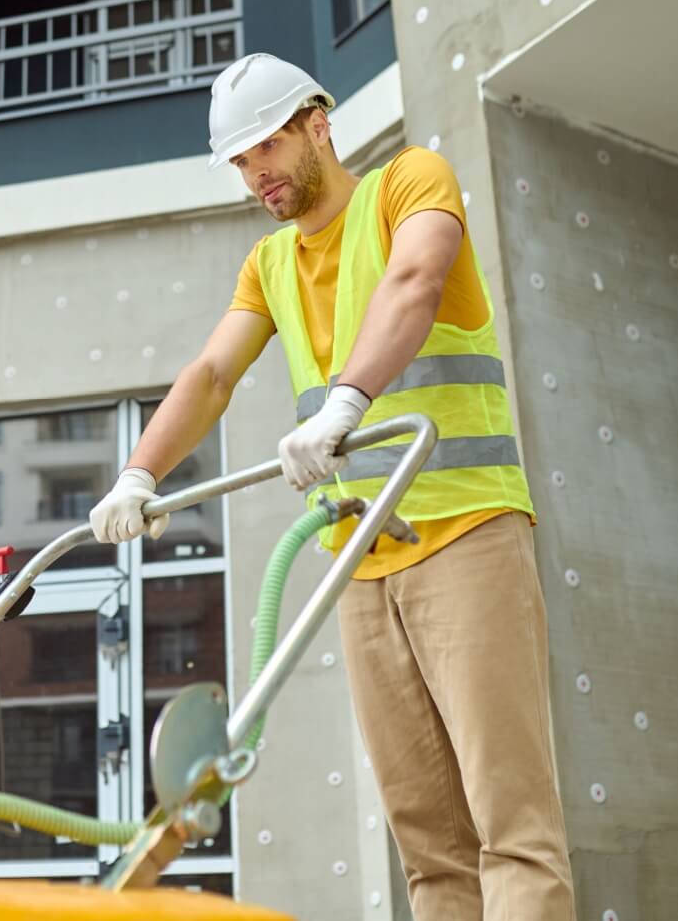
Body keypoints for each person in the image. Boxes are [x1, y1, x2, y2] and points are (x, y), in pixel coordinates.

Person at [88, 53, 575, 919]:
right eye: (238, 163)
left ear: (318, 120)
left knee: (512, 826)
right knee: (430, 849)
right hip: (361, 564)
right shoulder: (269, 264)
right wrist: (138, 474)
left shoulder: (409, 183)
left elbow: (416, 282)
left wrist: (344, 404)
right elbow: (210, 374)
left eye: (266, 148)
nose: (256, 176)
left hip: (467, 536)